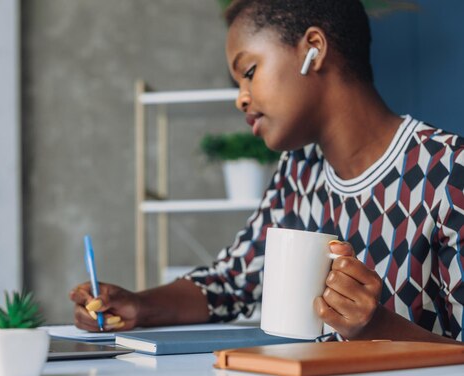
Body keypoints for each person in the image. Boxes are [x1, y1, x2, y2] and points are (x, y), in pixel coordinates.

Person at [69, 0, 464, 344]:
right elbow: (231, 282)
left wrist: (376, 326)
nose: (240, 97)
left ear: (314, 49)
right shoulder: (300, 170)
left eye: (249, 71)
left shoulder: (449, 170)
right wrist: (140, 306)